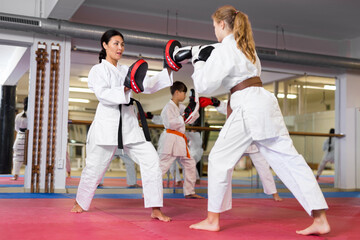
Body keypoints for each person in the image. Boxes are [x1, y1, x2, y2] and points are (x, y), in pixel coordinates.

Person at [186, 5, 330, 235]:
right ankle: (320, 218)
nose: (214, 31)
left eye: (214, 26)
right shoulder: (248, 49)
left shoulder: (225, 49)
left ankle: (213, 219)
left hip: (247, 105)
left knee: (219, 158)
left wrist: (199, 61)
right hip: (264, 103)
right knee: (290, 160)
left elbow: (204, 86)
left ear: (222, 25)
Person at [70, 29, 173, 222]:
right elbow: (103, 95)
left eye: (122, 44)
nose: (120, 48)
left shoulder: (125, 70)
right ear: (105, 45)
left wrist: (168, 69)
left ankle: (156, 208)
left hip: (129, 125)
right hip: (107, 125)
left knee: (152, 161)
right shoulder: (97, 70)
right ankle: (80, 202)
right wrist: (126, 87)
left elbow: (147, 84)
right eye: (116, 43)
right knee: (94, 167)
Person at [203, 97, 282, 201]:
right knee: (225, 167)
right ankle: (218, 195)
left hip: (254, 141)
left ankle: (274, 193)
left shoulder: (257, 107)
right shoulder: (236, 103)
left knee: (264, 168)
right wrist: (216, 103)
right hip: (237, 142)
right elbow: (226, 108)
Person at [157, 81, 204, 199]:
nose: (185, 96)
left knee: (190, 163)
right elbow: (171, 123)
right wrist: (183, 116)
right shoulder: (168, 107)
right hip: (170, 138)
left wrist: (194, 104)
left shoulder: (181, 107)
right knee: (162, 166)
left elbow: (193, 118)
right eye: (184, 93)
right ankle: (149, 192)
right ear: (177, 92)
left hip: (180, 139)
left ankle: (189, 191)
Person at [11, 97, 28, 181]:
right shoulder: (33, 116)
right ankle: (29, 176)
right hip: (29, 138)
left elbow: (16, 128)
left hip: (20, 137)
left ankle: (15, 175)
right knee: (30, 158)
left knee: (17, 157)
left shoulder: (18, 116)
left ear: (24, 105)